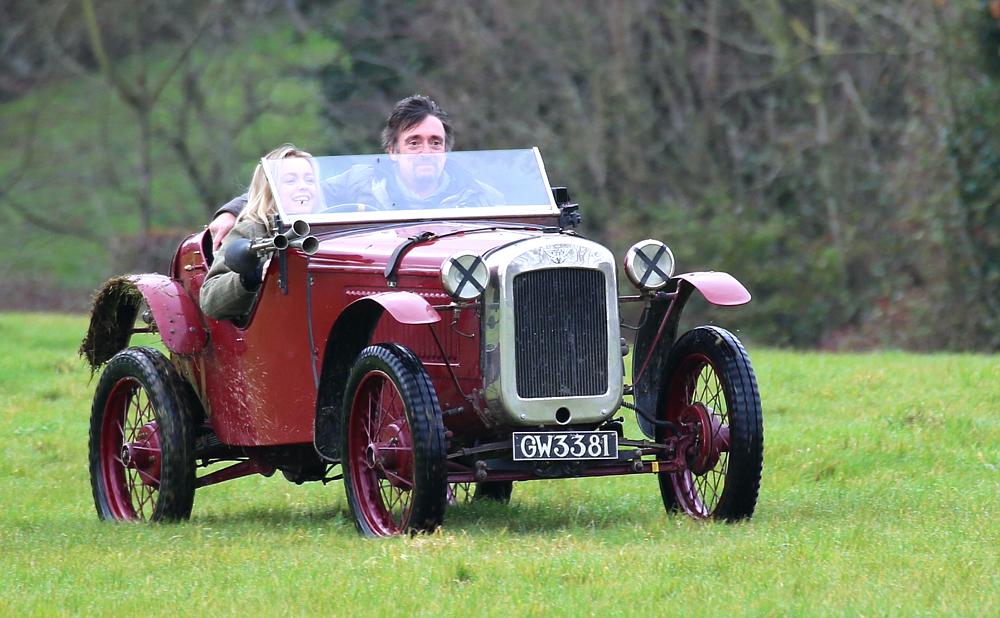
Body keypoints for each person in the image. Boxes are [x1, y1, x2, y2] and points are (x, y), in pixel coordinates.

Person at [208, 94, 485, 249]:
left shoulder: (478, 196)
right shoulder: (359, 182)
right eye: (414, 142)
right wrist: (231, 211)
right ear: (392, 152)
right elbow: (296, 192)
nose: (426, 151)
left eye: (435, 143)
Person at [200, 144, 314, 321]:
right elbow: (210, 300)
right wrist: (254, 274)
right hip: (272, 327)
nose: (303, 187)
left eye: (310, 180)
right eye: (290, 181)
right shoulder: (252, 229)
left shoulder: (335, 227)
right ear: (269, 189)